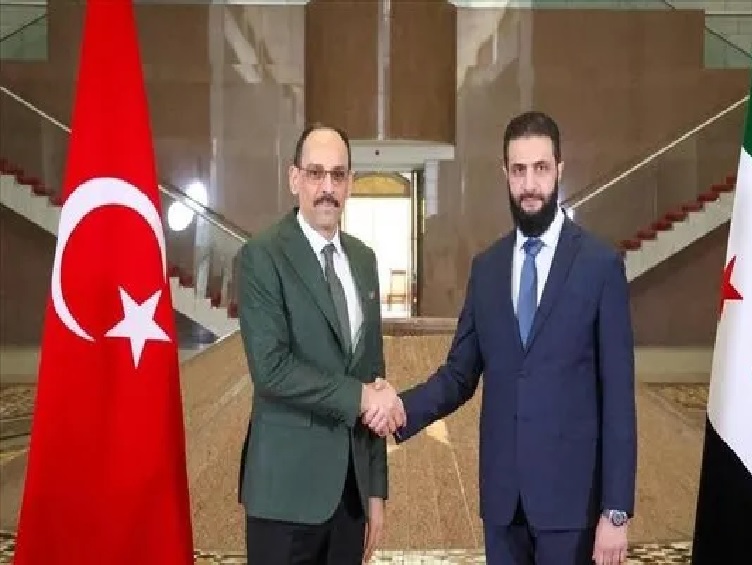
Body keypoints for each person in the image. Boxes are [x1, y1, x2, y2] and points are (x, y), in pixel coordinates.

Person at [372, 111, 638, 565]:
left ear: (559, 169)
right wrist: (399, 408)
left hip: (571, 508)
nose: (530, 185)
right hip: (503, 506)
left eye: (541, 168)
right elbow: (459, 374)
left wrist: (616, 512)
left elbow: (617, 398)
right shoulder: (488, 269)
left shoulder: (599, 266)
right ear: (505, 174)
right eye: (519, 170)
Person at [236, 123, 404, 565]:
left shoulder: (364, 260)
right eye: (315, 173)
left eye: (338, 175)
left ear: (350, 183)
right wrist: (361, 396)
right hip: (284, 496)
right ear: (294, 179)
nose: (327, 188)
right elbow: (271, 369)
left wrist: (375, 490)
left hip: (349, 497)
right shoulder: (262, 256)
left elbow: (373, 374)